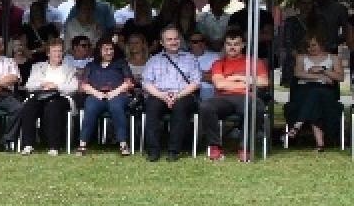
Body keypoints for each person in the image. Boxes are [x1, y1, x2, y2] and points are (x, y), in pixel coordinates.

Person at [201, 32, 270, 161]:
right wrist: (248, 83)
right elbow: (220, 84)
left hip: (246, 98)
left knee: (256, 106)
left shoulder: (254, 62)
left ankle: (245, 148)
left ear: (243, 45)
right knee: (206, 106)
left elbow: (264, 82)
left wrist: (238, 78)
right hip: (223, 99)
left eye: (236, 44)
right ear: (224, 46)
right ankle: (215, 147)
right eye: (229, 44)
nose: (232, 47)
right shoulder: (218, 63)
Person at [141, 26, 202, 161]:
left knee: (180, 108)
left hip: (183, 95)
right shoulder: (154, 60)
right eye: (169, 39)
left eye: (176, 39)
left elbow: (196, 82)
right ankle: (153, 151)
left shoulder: (190, 58)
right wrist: (161, 95)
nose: (174, 42)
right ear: (162, 43)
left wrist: (177, 95)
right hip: (159, 94)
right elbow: (146, 83)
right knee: (152, 107)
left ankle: (174, 150)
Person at [14, 38, 76, 155]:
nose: (58, 54)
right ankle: (28, 145)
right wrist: (42, 84)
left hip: (61, 96)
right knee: (28, 106)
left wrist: (56, 86)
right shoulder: (38, 67)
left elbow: (73, 88)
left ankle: (54, 146)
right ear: (48, 53)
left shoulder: (69, 68)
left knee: (53, 106)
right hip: (40, 94)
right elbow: (29, 85)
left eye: (60, 51)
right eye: (54, 51)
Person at [77, 35, 134, 155]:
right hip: (97, 95)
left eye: (111, 49)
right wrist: (97, 94)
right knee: (90, 106)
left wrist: (114, 92)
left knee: (116, 106)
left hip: (118, 94)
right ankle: (83, 144)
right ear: (99, 50)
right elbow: (83, 85)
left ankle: (123, 144)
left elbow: (129, 83)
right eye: (106, 49)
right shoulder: (91, 65)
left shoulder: (121, 63)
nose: (109, 52)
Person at [286, 34, 342, 151]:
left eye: (313, 45)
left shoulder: (333, 58)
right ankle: (320, 144)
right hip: (305, 90)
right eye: (307, 46)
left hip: (326, 92)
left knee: (316, 94)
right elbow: (298, 73)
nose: (310, 48)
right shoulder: (301, 57)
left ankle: (297, 125)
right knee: (314, 97)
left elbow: (340, 77)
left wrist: (323, 69)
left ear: (321, 44)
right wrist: (320, 77)